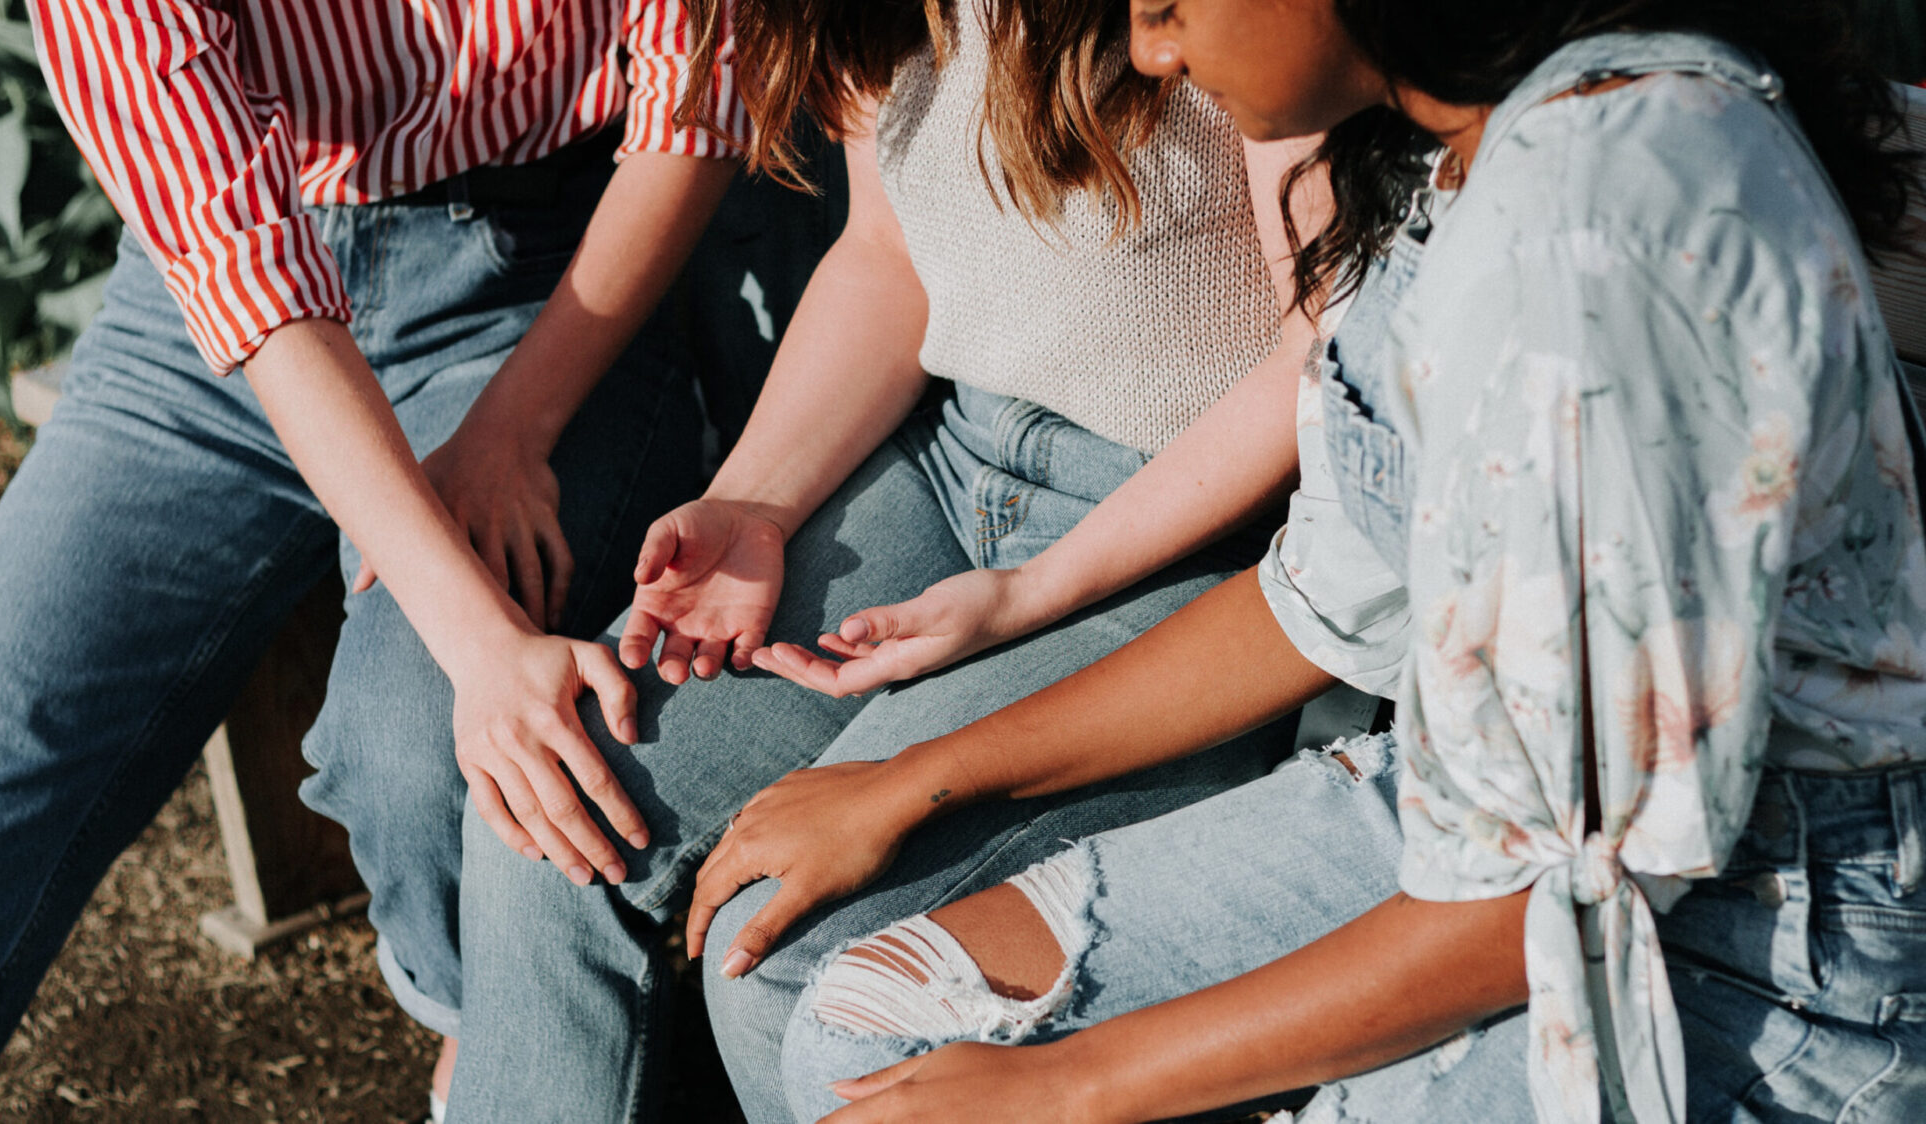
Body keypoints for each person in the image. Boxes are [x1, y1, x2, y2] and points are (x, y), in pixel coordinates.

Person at [695, 1, 1926, 1121]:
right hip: (1459, 805)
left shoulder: (1594, 242)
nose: (1150, 53)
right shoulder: (1447, 152)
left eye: (1171, 4)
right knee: (863, 1026)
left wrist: (1064, 1085)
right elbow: (1319, 601)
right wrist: (918, 776)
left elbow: (1550, 897)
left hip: (1759, 957)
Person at [399, 0, 1339, 1117]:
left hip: (1185, 531)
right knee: (552, 811)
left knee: (794, 948)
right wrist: (754, 497)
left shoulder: (1210, 28)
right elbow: (887, 253)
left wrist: (1029, 591)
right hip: (951, 457)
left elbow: (1319, 355)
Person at [0, 1, 797, 1118]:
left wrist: (512, 429)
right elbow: (247, 272)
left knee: (416, 743)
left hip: (539, 286)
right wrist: (482, 641)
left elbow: (696, 91)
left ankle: (477, 1039)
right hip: (212, 313)